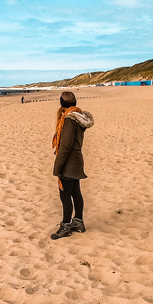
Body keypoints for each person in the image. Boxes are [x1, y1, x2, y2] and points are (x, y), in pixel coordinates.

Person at [50, 91, 94, 240]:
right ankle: (78, 222)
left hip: (69, 161)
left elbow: (65, 146)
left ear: (62, 103)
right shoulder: (78, 117)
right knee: (75, 192)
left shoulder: (69, 119)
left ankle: (66, 226)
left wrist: (57, 167)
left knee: (65, 195)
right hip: (77, 159)